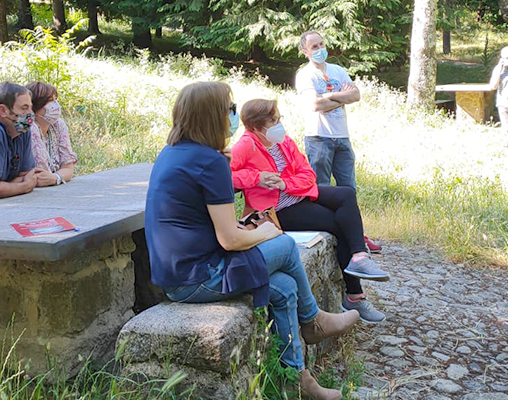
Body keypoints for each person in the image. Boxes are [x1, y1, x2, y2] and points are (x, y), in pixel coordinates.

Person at [145, 81, 360, 400]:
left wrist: (247, 225)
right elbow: (230, 240)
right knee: (285, 245)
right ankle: (313, 320)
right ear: (211, 116)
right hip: (200, 277)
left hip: (179, 274)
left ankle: (296, 379)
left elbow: (211, 225)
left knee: (285, 289)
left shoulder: (175, 153)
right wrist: (266, 231)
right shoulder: (211, 162)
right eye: (230, 109)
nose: (234, 115)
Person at [229, 98, 390, 324]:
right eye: (272, 121)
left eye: (278, 119)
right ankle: (355, 294)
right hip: (278, 211)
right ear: (256, 127)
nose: (278, 124)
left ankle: (359, 255)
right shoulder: (245, 146)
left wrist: (287, 185)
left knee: (346, 194)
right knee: (337, 224)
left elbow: (308, 175)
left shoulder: (283, 142)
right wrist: (257, 178)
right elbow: (225, 176)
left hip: (299, 196)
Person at [294, 30, 382, 254]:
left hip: (342, 138)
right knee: (321, 190)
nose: (320, 49)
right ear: (305, 51)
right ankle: (328, 234)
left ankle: (357, 237)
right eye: (314, 46)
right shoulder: (305, 75)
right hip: (319, 137)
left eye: (322, 44)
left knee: (348, 191)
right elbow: (314, 105)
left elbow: (355, 96)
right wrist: (339, 97)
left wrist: (328, 97)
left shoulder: (338, 70)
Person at [26, 82, 78, 185]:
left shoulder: (58, 125)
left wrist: (56, 178)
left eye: (55, 99)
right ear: (34, 107)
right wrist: (58, 177)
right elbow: (40, 174)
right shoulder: (30, 128)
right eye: (49, 101)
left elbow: (68, 168)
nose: (55, 105)